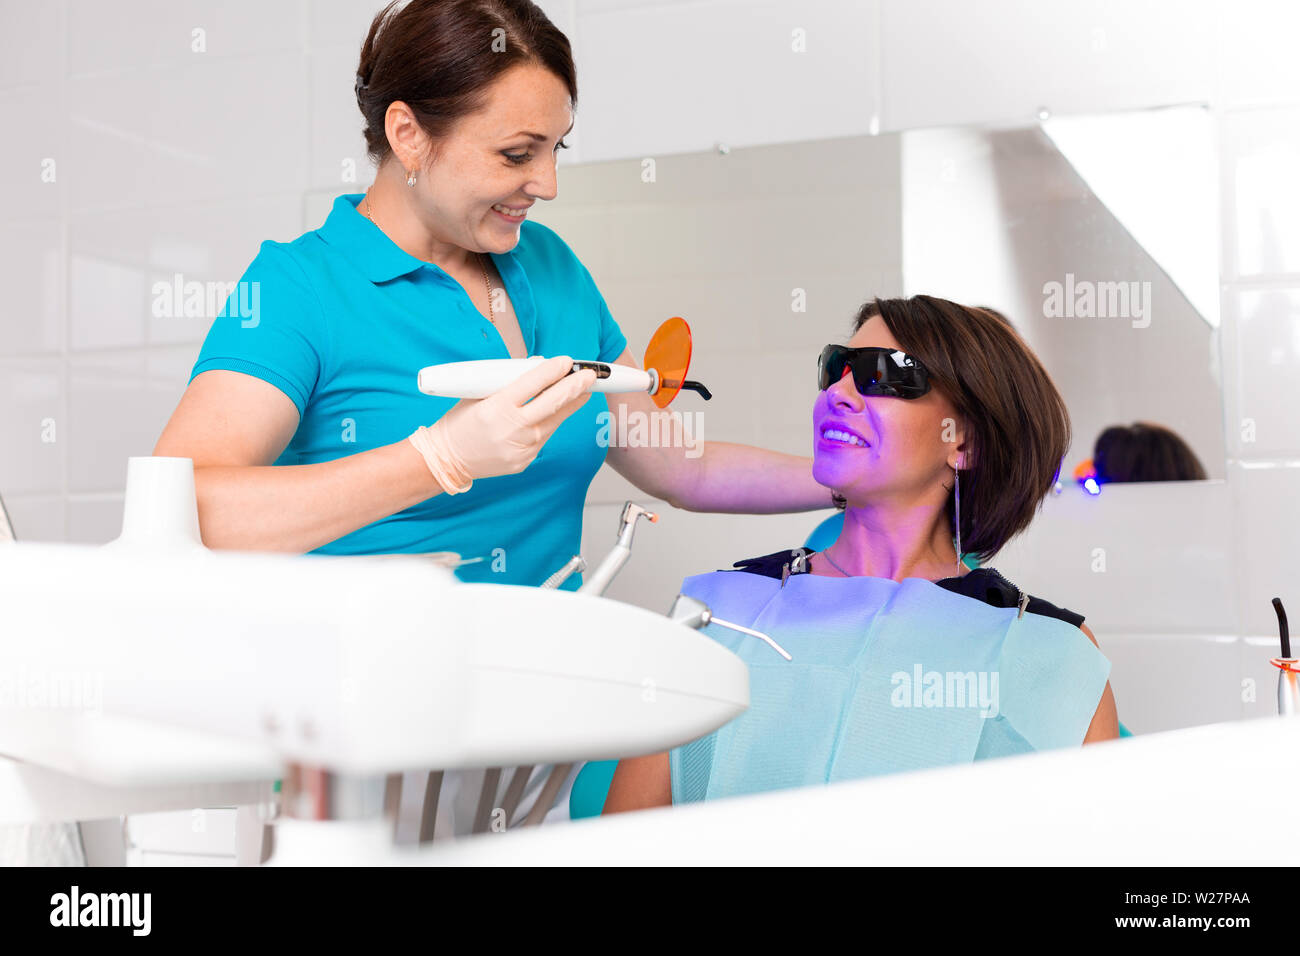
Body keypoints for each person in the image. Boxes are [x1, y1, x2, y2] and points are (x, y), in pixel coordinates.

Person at [153, 0, 832, 835]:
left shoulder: (547, 266)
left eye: (555, 149)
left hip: (540, 747)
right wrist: (437, 457)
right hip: (361, 762)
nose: (545, 183)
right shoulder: (301, 289)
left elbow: (672, 461)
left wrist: (843, 481)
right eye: (518, 152)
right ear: (409, 135)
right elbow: (191, 511)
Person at [604, 295, 1120, 811]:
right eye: (836, 369)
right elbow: (616, 851)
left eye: (884, 375)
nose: (840, 393)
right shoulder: (715, 614)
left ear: (964, 443)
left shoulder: (1051, 651)